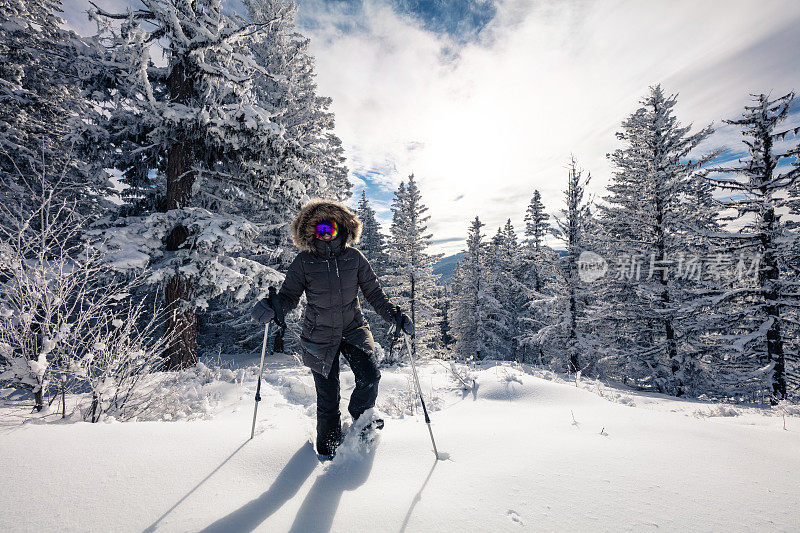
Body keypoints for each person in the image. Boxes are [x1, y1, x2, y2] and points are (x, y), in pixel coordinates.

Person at [251, 198, 413, 458]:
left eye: (331, 230)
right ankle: (327, 452)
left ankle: (362, 422)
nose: (326, 236)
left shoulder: (354, 258)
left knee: (370, 377)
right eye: (320, 231)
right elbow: (289, 296)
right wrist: (274, 306)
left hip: (353, 328)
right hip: (319, 335)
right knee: (327, 399)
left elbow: (374, 293)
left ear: (342, 229)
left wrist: (396, 316)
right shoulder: (304, 262)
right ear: (311, 233)